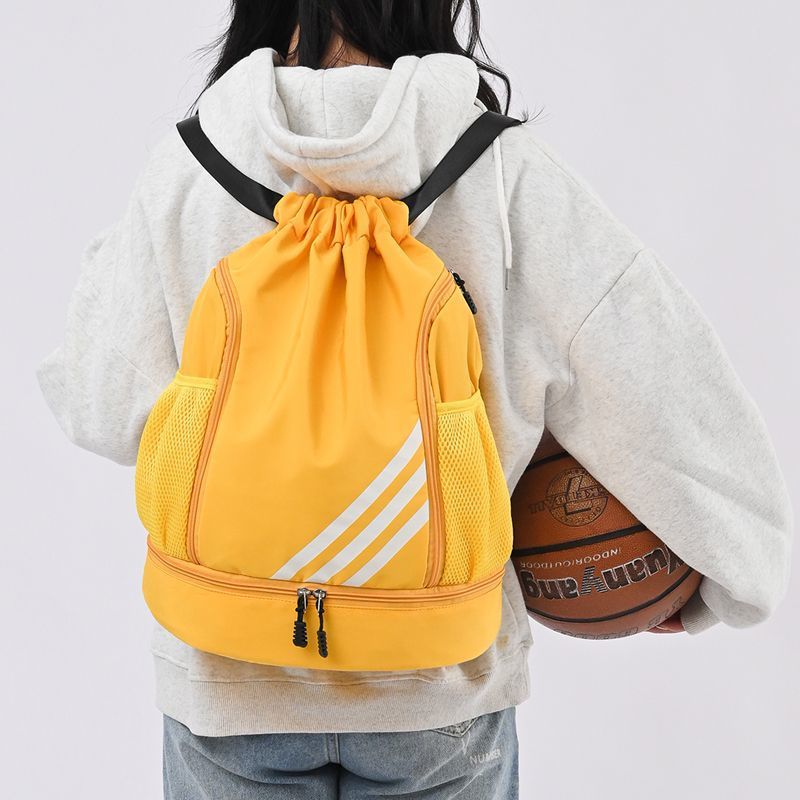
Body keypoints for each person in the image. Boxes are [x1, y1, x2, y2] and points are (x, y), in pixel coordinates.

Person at [36, 2, 793, 798]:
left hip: (227, 674)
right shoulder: (504, 173)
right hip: (439, 684)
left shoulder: (191, 163)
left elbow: (97, 398)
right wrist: (729, 566)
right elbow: (653, 372)